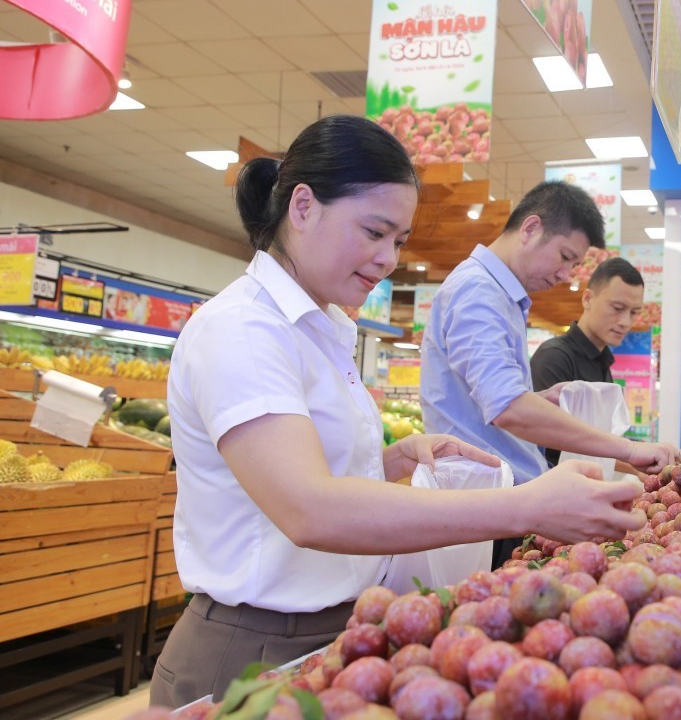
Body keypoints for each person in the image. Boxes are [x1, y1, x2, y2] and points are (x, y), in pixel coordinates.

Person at [150, 116, 644, 708]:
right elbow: (307, 509)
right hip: (251, 650)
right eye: (374, 232)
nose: (387, 259)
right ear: (302, 207)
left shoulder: (321, 329)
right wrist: (526, 505)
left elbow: (299, 477)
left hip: (333, 630)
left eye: (399, 241)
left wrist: (390, 459)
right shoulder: (242, 330)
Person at [420, 181, 681, 569]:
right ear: (529, 229)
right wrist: (627, 449)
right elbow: (508, 408)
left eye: (574, 265)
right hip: (485, 510)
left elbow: (488, 401)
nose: (565, 274)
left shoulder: (501, 296)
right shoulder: (478, 291)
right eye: (564, 256)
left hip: (502, 503)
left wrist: (539, 399)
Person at [531, 257, 644, 467]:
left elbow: (602, 437)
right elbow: (557, 439)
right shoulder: (554, 357)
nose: (625, 322)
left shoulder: (603, 360)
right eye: (617, 308)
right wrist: (634, 461)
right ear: (587, 299)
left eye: (634, 312)